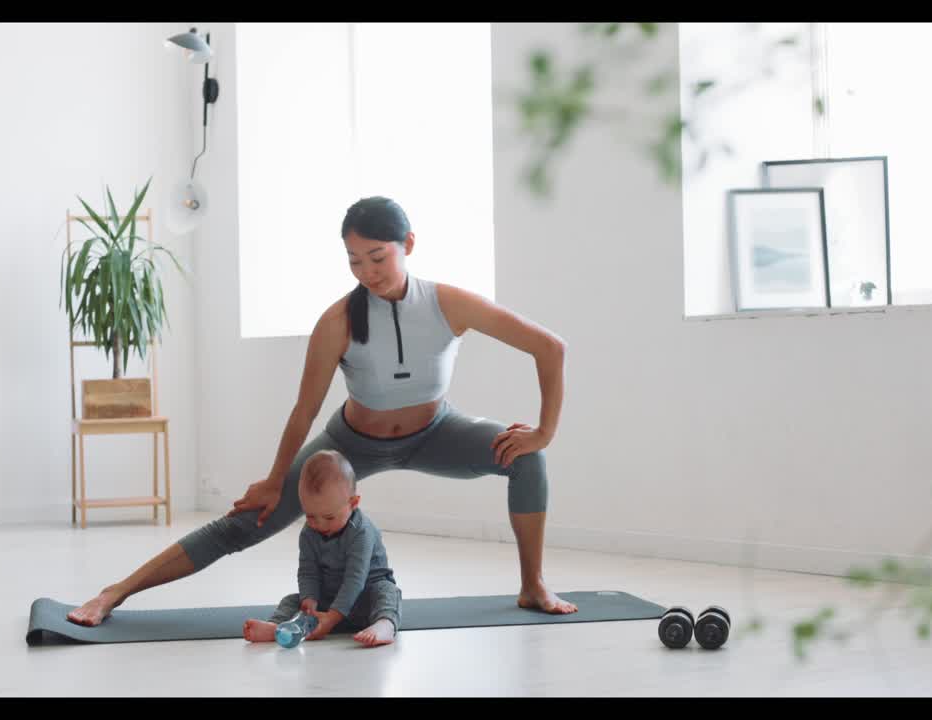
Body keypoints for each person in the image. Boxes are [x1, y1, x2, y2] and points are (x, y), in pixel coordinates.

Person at [67, 195, 575, 628]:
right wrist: (271, 481)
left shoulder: (449, 303)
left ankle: (532, 585)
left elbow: (549, 347)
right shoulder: (337, 321)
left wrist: (544, 433)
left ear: (409, 245)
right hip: (351, 445)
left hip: (436, 431)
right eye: (354, 260)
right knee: (247, 522)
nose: (366, 272)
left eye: (377, 257)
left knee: (526, 457)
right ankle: (117, 591)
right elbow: (303, 411)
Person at [243, 449, 401, 648]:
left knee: (388, 591)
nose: (320, 525)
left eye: (329, 517)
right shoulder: (309, 533)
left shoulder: (362, 532)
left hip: (364, 599)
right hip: (329, 598)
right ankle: (277, 626)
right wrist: (310, 599)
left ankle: (384, 625)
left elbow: (355, 578)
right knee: (292, 600)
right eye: (310, 516)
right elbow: (308, 570)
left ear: (353, 503)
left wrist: (332, 618)